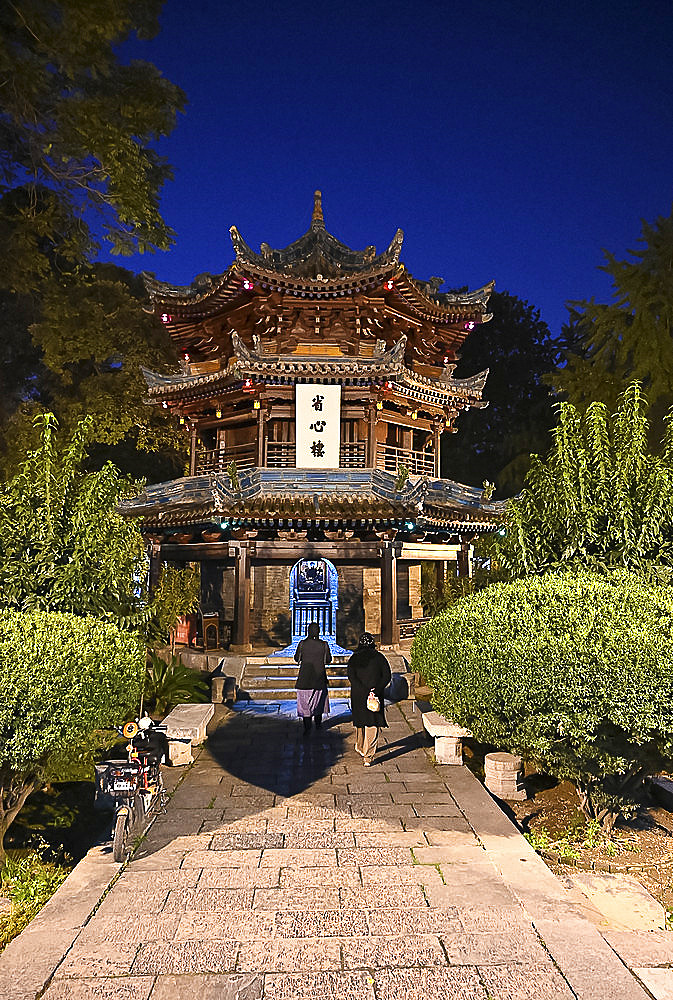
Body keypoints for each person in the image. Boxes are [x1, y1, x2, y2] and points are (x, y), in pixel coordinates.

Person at [347, 632, 391, 766]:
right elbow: (386, 676)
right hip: (375, 694)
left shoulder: (354, 658)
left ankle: (360, 746)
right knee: (372, 722)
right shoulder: (379, 657)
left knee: (360, 720)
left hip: (358, 694)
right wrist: (375, 689)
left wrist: (362, 689)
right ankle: (368, 756)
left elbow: (351, 677)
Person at [294, 621, 332, 734]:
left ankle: (307, 726)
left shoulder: (302, 644)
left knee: (305, 703)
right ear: (319, 631)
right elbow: (329, 660)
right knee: (319, 702)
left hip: (304, 678)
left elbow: (296, 658)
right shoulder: (324, 644)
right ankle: (318, 724)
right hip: (319, 677)